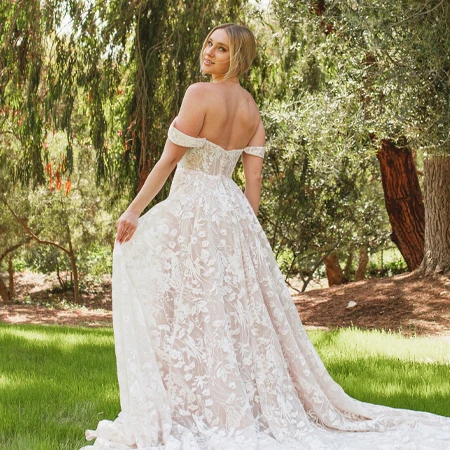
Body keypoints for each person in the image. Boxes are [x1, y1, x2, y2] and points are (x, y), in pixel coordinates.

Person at [81, 23, 450, 450]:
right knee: (225, 314)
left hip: (195, 210)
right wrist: (246, 231)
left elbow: (167, 162)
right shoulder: (251, 109)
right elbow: (251, 183)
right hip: (232, 213)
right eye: (208, 45)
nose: (209, 53)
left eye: (220, 49)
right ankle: (216, 399)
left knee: (190, 307)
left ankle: (196, 404)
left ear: (237, 58)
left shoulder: (199, 94)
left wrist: (133, 211)